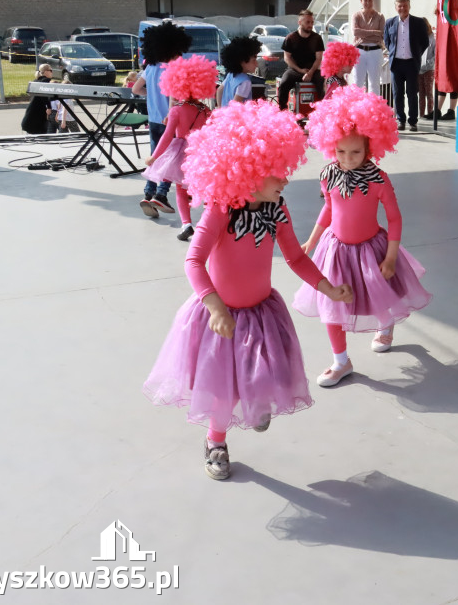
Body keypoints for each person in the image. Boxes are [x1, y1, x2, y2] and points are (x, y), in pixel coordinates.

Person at [143, 100, 353, 481]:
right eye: (278, 173)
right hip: (220, 316)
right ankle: (216, 442)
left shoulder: (278, 210)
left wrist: (326, 287)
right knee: (222, 391)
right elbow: (193, 261)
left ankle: (256, 407)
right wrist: (215, 307)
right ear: (250, 173)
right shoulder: (220, 211)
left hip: (261, 313)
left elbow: (295, 258)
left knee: (262, 372)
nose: (286, 180)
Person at [293, 85, 432, 388]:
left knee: (378, 295)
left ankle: (386, 323)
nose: (348, 158)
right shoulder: (328, 174)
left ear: (371, 147)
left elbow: (394, 218)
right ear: (330, 146)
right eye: (341, 151)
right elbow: (328, 210)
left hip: (372, 249)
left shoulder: (379, 179)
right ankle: (341, 361)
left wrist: (392, 256)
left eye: (356, 152)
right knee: (332, 304)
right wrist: (312, 241)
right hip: (336, 250)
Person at [142, 55, 219, 241]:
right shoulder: (206, 110)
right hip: (200, 153)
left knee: (180, 190)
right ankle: (210, 223)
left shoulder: (176, 110)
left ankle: (186, 224)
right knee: (205, 189)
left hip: (180, 154)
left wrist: (154, 157)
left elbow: (167, 136)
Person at [132, 22, 192, 218]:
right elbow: (175, 97)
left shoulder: (150, 67)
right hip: (170, 121)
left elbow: (135, 89)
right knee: (171, 158)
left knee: (155, 156)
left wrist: (152, 96)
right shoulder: (173, 68)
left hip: (154, 120)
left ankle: (148, 193)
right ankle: (161, 194)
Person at [383, 0, 430, 132]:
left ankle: (413, 121)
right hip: (396, 64)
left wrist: (416, 54)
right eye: (400, 6)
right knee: (397, 94)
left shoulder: (418, 22)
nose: (402, 8)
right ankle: (401, 120)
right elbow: (387, 41)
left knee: (411, 93)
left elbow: (425, 42)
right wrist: (393, 53)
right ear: (396, 7)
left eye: (405, 5)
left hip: (411, 64)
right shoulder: (390, 22)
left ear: (409, 6)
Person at [277, 10, 325, 110]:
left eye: (312, 22)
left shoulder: (317, 38)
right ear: (300, 22)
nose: (310, 25)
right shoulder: (290, 38)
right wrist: (300, 70)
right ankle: (282, 111)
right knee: (284, 83)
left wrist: (310, 72)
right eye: (307, 22)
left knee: (323, 83)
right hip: (294, 70)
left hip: (313, 70)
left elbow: (319, 58)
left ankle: (322, 111)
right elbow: (287, 57)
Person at [351, 0, 386, 94]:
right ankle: (356, 107)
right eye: (365, 0)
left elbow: (382, 33)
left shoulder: (380, 16)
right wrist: (374, 32)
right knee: (357, 82)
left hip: (375, 51)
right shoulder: (356, 15)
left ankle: (373, 108)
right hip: (359, 50)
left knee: (374, 83)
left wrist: (365, 33)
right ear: (361, 1)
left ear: (373, 1)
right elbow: (355, 32)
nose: (368, 3)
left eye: (370, 0)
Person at [217, 36, 262, 107]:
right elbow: (235, 104)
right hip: (237, 116)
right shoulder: (245, 82)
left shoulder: (230, 75)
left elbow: (219, 90)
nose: (257, 64)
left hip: (225, 115)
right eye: (254, 60)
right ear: (242, 62)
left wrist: (219, 109)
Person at [20, 64, 52, 135]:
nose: (51, 72)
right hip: (39, 111)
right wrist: (49, 107)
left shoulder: (35, 81)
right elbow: (44, 95)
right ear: (45, 71)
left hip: (32, 111)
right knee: (41, 131)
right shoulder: (46, 81)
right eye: (50, 70)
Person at [419, 19, 436, 120]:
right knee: (421, 93)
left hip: (429, 68)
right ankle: (421, 115)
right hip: (419, 69)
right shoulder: (418, 37)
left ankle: (430, 113)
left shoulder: (432, 38)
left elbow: (435, 54)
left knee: (429, 92)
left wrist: (429, 62)